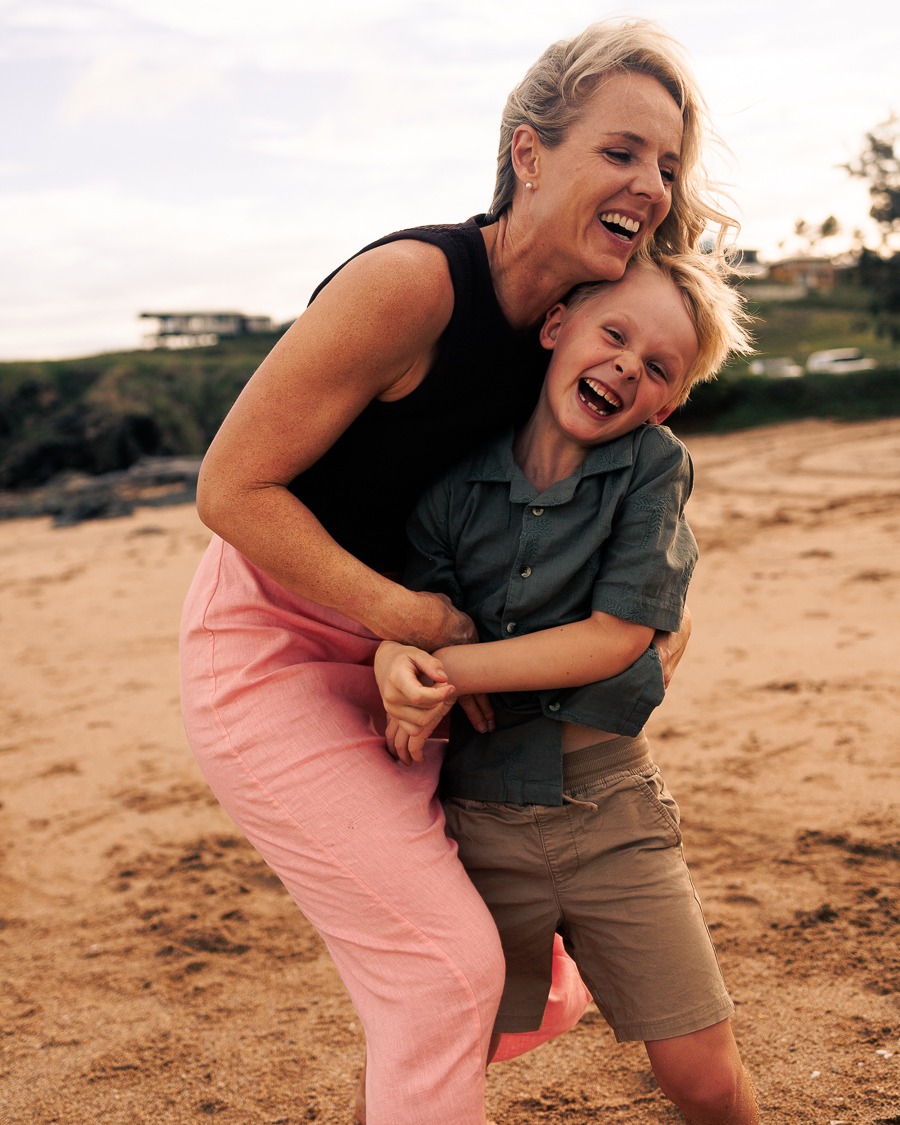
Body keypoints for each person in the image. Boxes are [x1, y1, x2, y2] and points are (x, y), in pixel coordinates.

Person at [179, 18, 738, 1125]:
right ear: (529, 154)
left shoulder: (583, 336)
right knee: (445, 981)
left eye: (668, 165)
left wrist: (652, 624)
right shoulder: (415, 284)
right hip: (279, 649)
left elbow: (610, 520)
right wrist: (416, 621)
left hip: (428, 666)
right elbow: (229, 489)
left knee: (490, 977)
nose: (653, 185)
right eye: (621, 151)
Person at [375, 253, 759, 1123]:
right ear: (558, 329)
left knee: (702, 1074)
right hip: (474, 823)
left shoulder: (652, 467)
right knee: (427, 1068)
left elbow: (616, 637)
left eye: (657, 366)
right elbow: (419, 617)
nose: (628, 364)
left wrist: (449, 673)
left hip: (610, 810)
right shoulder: (451, 485)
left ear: (666, 401)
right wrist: (393, 661)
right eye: (614, 334)